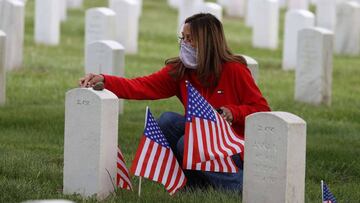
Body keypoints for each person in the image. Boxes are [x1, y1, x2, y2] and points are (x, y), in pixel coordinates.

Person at [79, 13, 270, 192]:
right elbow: (142, 86)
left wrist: (233, 112)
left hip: (233, 145)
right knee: (168, 121)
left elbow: (262, 110)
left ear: (207, 42)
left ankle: (238, 186)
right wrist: (105, 80)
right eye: (183, 37)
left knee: (187, 143)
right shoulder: (181, 71)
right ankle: (192, 182)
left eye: (190, 39)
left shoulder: (234, 70)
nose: (184, 43)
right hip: (203, 138)